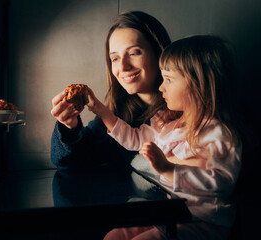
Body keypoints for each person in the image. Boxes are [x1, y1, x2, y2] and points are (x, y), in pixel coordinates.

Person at [87, 35, 242, 239]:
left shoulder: (219, 134)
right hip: (169, 213)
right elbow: (134, 139)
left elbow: (220, 183)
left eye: (168, 79)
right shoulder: (168, 124)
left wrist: (169, 169)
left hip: (204, 221)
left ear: (198, 85)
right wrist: (101, 110)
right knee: (114, 236)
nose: (161, 87)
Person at [50, 11, 175, 171]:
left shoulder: (192, 111)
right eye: (115, 58)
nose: (123, 67)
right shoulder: (115, 118)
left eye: (134, 53)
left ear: (159, 53)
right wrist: (69, 127)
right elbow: (66, 162)